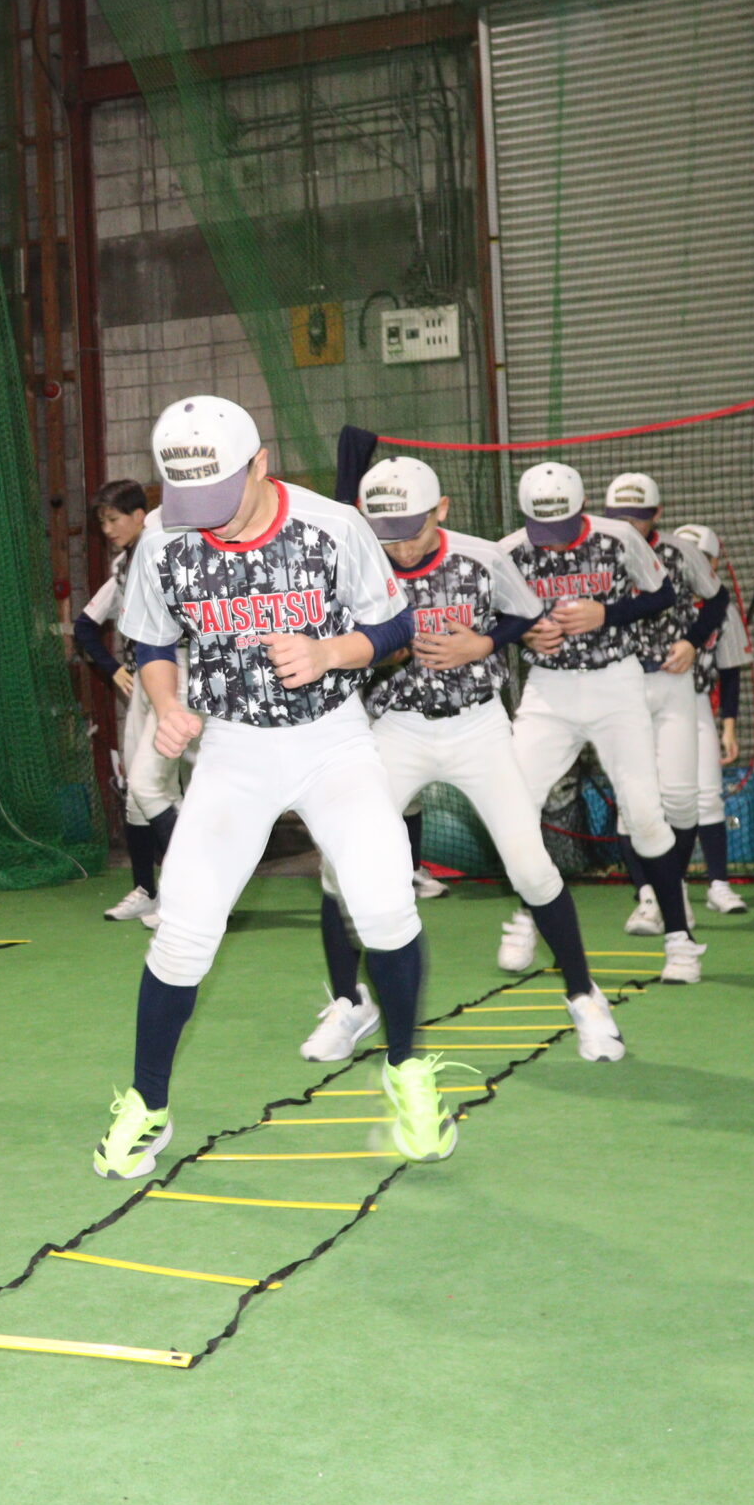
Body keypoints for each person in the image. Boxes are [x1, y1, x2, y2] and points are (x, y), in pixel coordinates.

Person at [96, 396, 460, 1181]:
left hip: (333, 741)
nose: (209, 521)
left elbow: (395, 624)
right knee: (183, 929)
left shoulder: (332, 525)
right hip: (232, 750)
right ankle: (148, 1103)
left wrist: (330, 652)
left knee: (383, 903)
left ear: (260, 464)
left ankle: (406, 1069)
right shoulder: (163, 540)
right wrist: (167, 704)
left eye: (220, 497)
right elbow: (152, 641)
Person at [305, 459, 625, 1065]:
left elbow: (525, 613)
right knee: (339, 869)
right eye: (387, 532)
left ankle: (585, 997)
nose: (401, 547)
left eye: (412, 529)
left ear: (442, 510)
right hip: (396, 729)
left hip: (478, 728)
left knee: (531, 869)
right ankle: (350, 1002)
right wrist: (380, 653)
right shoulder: (355, 562)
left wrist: (484, 642)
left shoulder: (481, 557)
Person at [496, 462, 707, 984]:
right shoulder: (509, 551)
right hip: (549, 689)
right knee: (513, 803)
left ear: (582, 507)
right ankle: (528, 914)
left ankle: (680, 941)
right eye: (543, 528)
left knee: (645, 814)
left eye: (563, 526)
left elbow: (661, 594)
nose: (554, 540)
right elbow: (495, 616)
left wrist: (605, 614)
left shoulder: (617, 537)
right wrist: (527, 633)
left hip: (615, 684)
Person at [601, 475, 735, 937]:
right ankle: (649, 897)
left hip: (675, 683)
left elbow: (717, 599)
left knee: (681, 799)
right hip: (620, 685)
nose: (629, 526)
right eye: (619, 518)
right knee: (631, 801)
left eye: (638, 518)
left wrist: (693, 642)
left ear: (657, 515)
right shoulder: (598, 551)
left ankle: (670, 890)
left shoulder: (680, 552)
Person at [72, 480, 182, 927]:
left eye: (114, 519)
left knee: (160, 789)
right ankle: (150, 891)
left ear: (140, 516)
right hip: (144, 689)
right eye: (102, 522)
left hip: (180, 683)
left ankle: (189, 896)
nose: (107, 529)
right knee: (142, 792)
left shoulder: (165, 547)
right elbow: (84, 626)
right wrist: (113, 667)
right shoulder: (123, 567)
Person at [671, 522, 752, 912]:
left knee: (707, 795)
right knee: (662, 800)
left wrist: (728, 729)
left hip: (697, 703)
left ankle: (718, 884)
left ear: (715, 564)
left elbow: (730, 672)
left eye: (701, 558)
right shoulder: (652, 600)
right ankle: (665, 889)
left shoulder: (722, 610)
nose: (692, 565)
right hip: (650, 709)